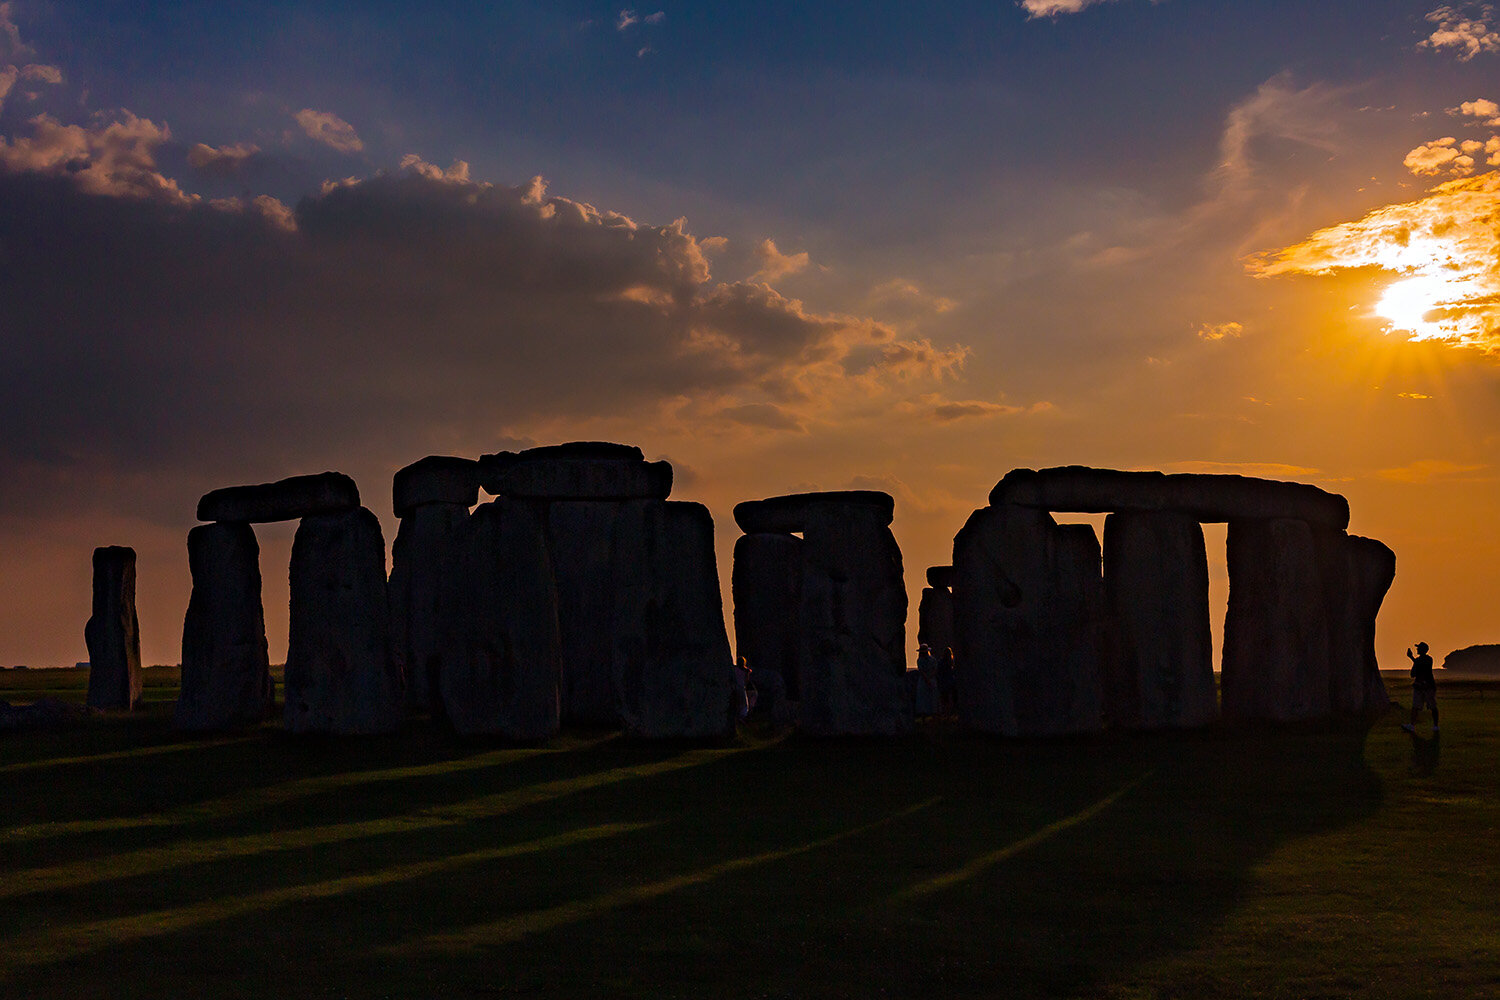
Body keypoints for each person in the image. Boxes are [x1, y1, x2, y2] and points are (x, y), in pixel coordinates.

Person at [1403, 641, 1438, 733]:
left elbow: (1420, 667)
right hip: (1421, 686)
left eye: (1419, 648)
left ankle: (1435, 726)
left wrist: (1411, 658)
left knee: (1432, 706)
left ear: (1423, 650)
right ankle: (1412, 725)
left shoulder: (1427, 659)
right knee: (1416, 706)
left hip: (1427, 686)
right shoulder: (1421, 660)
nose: (1417, 649)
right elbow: (1413, 673)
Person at [915, 643, 938, 716]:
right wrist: (930, 677)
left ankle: (925, 713)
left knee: (924, 697)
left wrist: (927, 678)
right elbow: (935, 670)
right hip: (931, 679)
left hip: (924, 680)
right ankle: (932, 712)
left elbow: (921, 671)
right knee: (931, 697)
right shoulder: (933, 659)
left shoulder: (920, 660)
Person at [733, 655, 756, 721]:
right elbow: (746, 680)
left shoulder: (734, 669)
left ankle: (738, 717)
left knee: (737, 703)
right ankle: (742, 717)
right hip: (741, 688)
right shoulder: (745, 671)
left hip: (735, 687)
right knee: (744, 704)